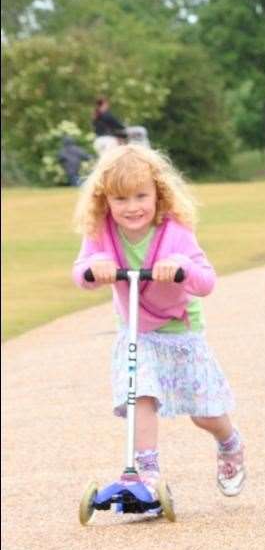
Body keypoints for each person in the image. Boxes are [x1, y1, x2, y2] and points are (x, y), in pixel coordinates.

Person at [71, 144, 246, 498]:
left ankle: (229, 442)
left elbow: (207, 281)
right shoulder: (101, 233)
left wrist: (181, 269)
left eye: (140, 196)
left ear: (158, 194)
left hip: (181, 329)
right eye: (120, 199)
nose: (132, 207)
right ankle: (145, 475)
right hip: (137, 332)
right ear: (106, 201)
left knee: (204, 413)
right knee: (140, 395)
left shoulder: (175, 232)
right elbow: (81, 273)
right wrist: (95, 267)